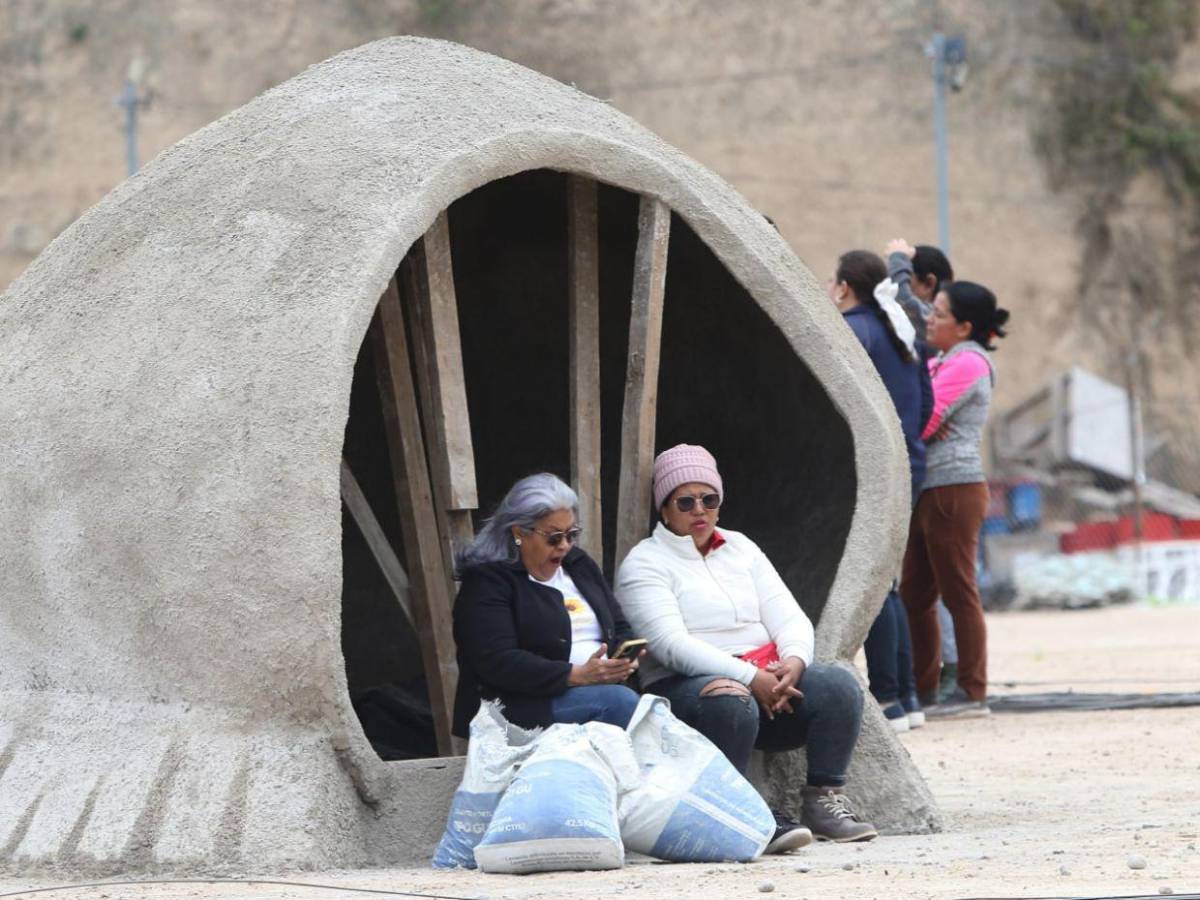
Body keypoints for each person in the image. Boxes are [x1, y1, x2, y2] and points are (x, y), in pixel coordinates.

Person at [616, 445, 877, 848]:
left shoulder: (741, 548)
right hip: (688, 689)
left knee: (838, 685)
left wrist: (792, 663)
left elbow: (789, 616)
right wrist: (749, 677)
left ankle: (823, 802)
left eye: (709, 499)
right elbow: (670, 646)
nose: (699, 510)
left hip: (766, 680)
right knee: (730, 698)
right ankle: (742, 811)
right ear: (664, 509)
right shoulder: (645, 563)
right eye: (685, 502)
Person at [451, 473, 642, 738]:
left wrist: (621, 660)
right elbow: (497, 661)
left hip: (598, 688)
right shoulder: (487, 581)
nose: (564, 546)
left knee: (656, 711)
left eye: (571, 534)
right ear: (519, 533)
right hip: (519, 709)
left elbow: (619, 625)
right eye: (553, 537)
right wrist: (576, 675)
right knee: (619, 703)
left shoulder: (578, 564)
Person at [828, 250, 929, 732]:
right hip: (908, 465)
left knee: (874, 585)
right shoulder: (900, 333)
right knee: (889, 583)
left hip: (870, 471)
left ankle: (888, 697)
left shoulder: (854, 332)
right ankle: (906, 697)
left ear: (845, 286)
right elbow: (925, 405)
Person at [900, 281, 1010, 718]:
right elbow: (917, 412)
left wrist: (921, 416)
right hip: (930, 488)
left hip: (954, 489)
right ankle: (923, 689)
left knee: (958, 592)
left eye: (940, 313)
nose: (930, 319)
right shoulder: (941, 360)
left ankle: (971, 691)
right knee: (915, 594)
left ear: (964, 327)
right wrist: (920, 413)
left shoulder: (968, 361)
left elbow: (921, 422)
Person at [887, 238, 961, 700]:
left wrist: (897, 262)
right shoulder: (935, 339)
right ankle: (931, 677)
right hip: (929, 474)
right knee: (925, 584)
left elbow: (906, 306)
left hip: (941, 480)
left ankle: (953, 673)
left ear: (928, 284)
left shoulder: (935, 332)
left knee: (944, 583)